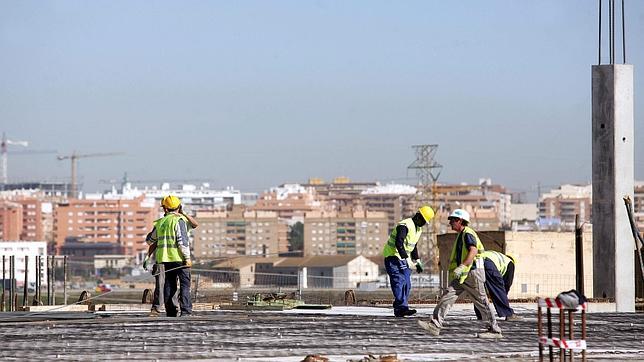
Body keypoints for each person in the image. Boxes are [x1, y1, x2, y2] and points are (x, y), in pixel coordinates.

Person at [417, 209, 502, 338]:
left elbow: (473, 251)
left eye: (453, 220)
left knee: (481, 301)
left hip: (473, 273)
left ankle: (495, 330)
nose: (450, 222)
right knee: (448, 295)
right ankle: (435, 324)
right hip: (464, 275)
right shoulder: (462, 235)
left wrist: (462, 266)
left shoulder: (468, 234)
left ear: (460, 221)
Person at [145, 195, 198, 317]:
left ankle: (171, 312)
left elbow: (149, 240)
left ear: (165, 209)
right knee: (185, 285)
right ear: (179, 207)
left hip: (165, 259)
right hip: (180, 259)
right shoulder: (179, 221)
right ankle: (186, 311)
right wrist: (187, 258)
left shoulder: (161, 222)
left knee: (169, 285)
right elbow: (182, 241)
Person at [382, 205, 434, 317]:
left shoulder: (418, 229)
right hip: (393, 257)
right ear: (418, 216)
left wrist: (417, 260)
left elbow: (413, 245)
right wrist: (407, 259)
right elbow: (398, 243)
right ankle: (402, 308)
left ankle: (400, 307)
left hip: (404, 259)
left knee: (407, 284)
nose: (424, 224)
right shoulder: (404, 225)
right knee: (399, 282)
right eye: (424, 221)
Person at [474, 250, 522, 321]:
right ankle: (508, 314)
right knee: (499, 289)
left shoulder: (497, 256)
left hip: (476, 262)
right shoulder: (510, 263)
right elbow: (507, 284)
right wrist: (502, 296)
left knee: (480, 291)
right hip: (488, 264)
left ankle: (481, 314)